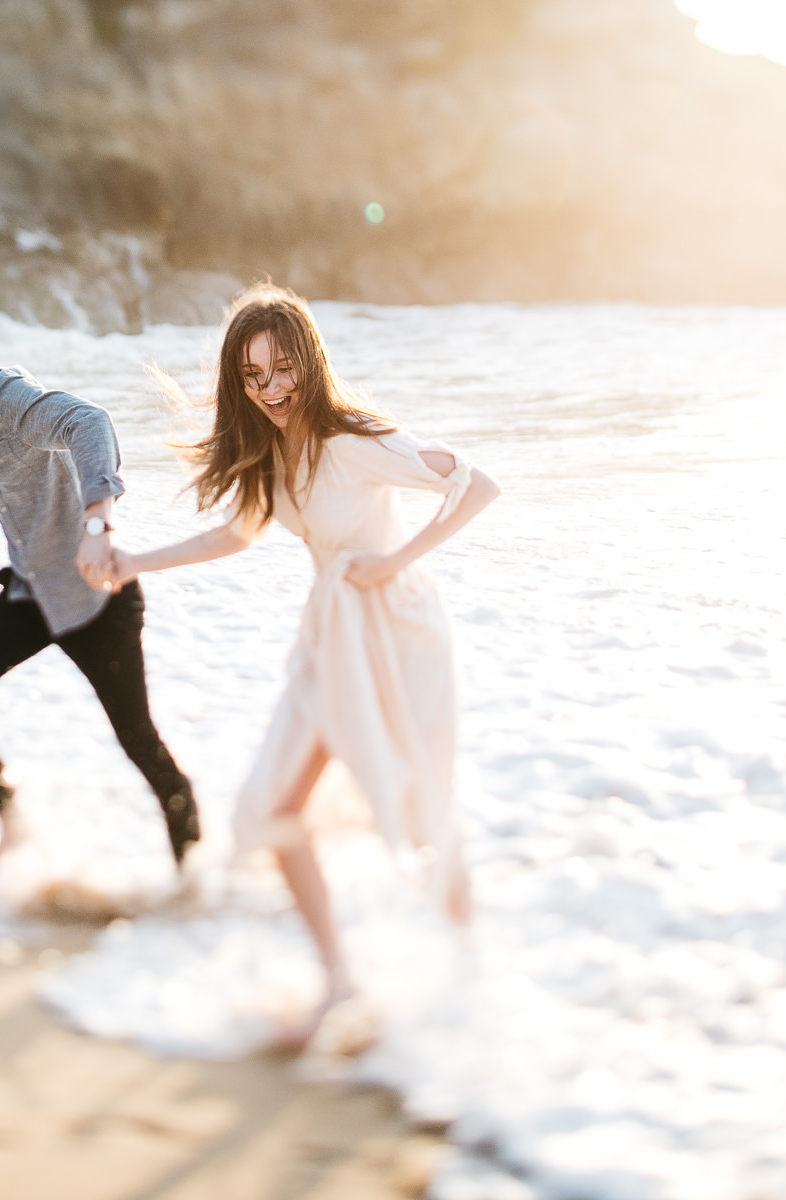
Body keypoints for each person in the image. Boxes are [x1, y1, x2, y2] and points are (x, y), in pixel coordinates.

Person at [105, 284, 500, 1048]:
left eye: (282, 369)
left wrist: (394, 562)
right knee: (270, 809)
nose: (272, 389)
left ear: (308, 363)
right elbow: (234, 535)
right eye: (253, 377)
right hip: (331, 634)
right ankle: (341, 982)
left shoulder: (355, 440)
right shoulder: (268, 455)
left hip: (397, 629)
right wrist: (131, 565)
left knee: (424, 804)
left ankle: (472, 984)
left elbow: (476, 484)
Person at [0, 317, 201, 883]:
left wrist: (100, 522)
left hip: (94, 596)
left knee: (139, 741)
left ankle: (196, 878)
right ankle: (15, 828)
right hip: (31, 593)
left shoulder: (9, 400)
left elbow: (86, 421)